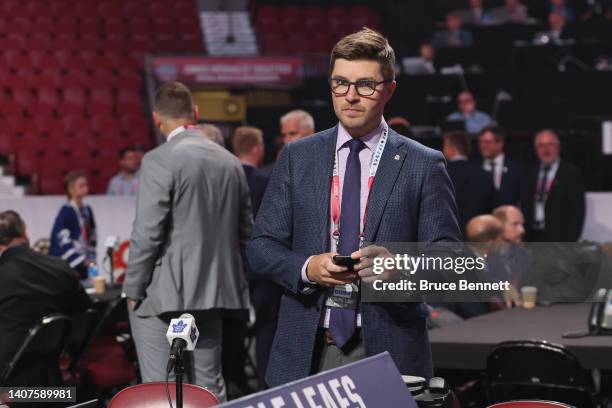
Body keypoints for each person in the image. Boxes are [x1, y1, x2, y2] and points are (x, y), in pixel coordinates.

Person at [247, 28, 462, 387]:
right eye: (340, 84)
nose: (350, 97)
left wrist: (398, 266)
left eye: (365, 85)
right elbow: (260, 247)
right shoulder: (298, 156)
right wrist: (307, 267)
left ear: (389, 89)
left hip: (388, 350)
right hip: (306, 350)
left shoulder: (423, 164)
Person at [123, 82, 252, 401]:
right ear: (194, 113)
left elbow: (148, 232)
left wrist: (132, 289)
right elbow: (247, 233)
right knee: (210, 385)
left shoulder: (158, 159)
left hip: (164, 296)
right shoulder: (230, 162)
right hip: (215, 292)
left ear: (156, 119)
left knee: (160, 390)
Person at [0, 210, 91, 386]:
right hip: (52, 384)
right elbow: (84, 313)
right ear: (25, 232)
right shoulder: (61, 268)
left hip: (7, 387)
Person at [521, 129, 585, 242]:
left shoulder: (570, 173)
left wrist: (570, 242)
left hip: (559, 239)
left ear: (558, 147)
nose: (546, 149)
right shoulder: (530, 173)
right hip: (532, 237)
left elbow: (577, 211)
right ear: (536, 149)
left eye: (550, 145)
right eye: (541, 146)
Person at [443, 131, 498, 234]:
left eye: (445, 146)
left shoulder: (441, 173)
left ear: (452, 148)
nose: (443, 150)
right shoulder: (484, 174)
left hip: (448, 235)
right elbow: (494, 207)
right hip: (479, 235)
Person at [49, 170, 97, 279]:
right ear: (71, 189)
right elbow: (61, 240)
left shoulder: (87, 210)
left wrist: (91, 259)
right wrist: (80, 260)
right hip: (68, 264)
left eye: (86, 185)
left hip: (84, 260)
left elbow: (92, 237)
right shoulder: (66, 211)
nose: (86, 188)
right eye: (81, 186)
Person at [478, 126, 524, 205]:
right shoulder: (476, 167)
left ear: (500, 143)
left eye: (487, 142)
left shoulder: (516, 168)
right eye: (481, 142)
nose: (483, 146)